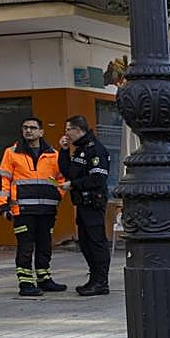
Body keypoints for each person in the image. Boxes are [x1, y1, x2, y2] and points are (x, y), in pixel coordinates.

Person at [0, 116, 67, 297]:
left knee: (45, 245)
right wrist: (3, 207)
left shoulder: (54, 154)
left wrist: (57, 195)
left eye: (33, 128)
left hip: (47, 210)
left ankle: (44, 278)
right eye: (25, 127)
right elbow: (4, 180)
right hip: (23, 210)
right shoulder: (11, 153)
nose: (28, 131)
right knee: (25, 246)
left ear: (41, 132)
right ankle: (26, 282)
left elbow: (61, 179)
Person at [58, 115, 112, 296]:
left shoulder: (95, 149)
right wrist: (64, 150)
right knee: (85, 242)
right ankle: (94, 278)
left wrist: (73, 185)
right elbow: (68, 172)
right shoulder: (79, 149)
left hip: (93, 203)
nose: (66, 133)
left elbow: (98, 178)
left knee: (96, 242)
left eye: (68, 130)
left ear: (78, 129)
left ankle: (101, 281)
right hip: (81, 203)